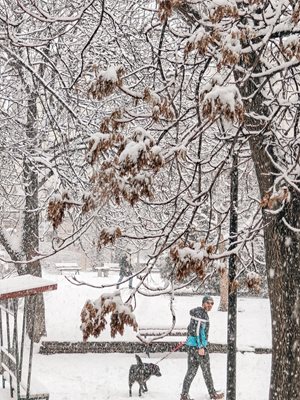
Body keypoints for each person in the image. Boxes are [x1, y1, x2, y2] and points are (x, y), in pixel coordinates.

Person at [180, 295, 224, 400]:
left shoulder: (198, 313)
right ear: (203, 303)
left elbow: (191, 329)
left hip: (192, 347)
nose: (210, 305)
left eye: (212, 303)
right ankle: (213, 394)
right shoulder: (201, 315)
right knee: (206, 371)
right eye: (208, 303)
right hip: (198, 348)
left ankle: (184, 395)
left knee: (191, 371)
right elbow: (197, 331)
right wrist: (201, 347)